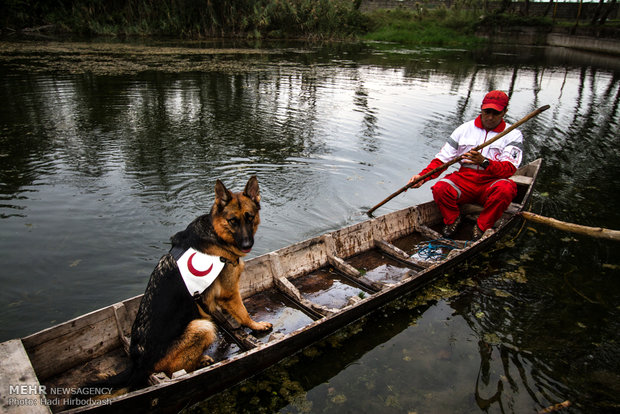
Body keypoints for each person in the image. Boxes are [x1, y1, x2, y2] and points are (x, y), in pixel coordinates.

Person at [408, 90, 523, 240]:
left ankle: (482, 226)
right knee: (440, 188)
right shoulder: (464, 130)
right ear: (481, 108)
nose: (489, 117)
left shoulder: (513, 134)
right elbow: (442, 160)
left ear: (504, 112)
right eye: (486, 111)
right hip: (465, 181)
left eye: (495, 113)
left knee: (506, 189)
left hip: (491, 182)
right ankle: (452, 219)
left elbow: (508, 170)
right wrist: (422, 177)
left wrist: (484, 162)